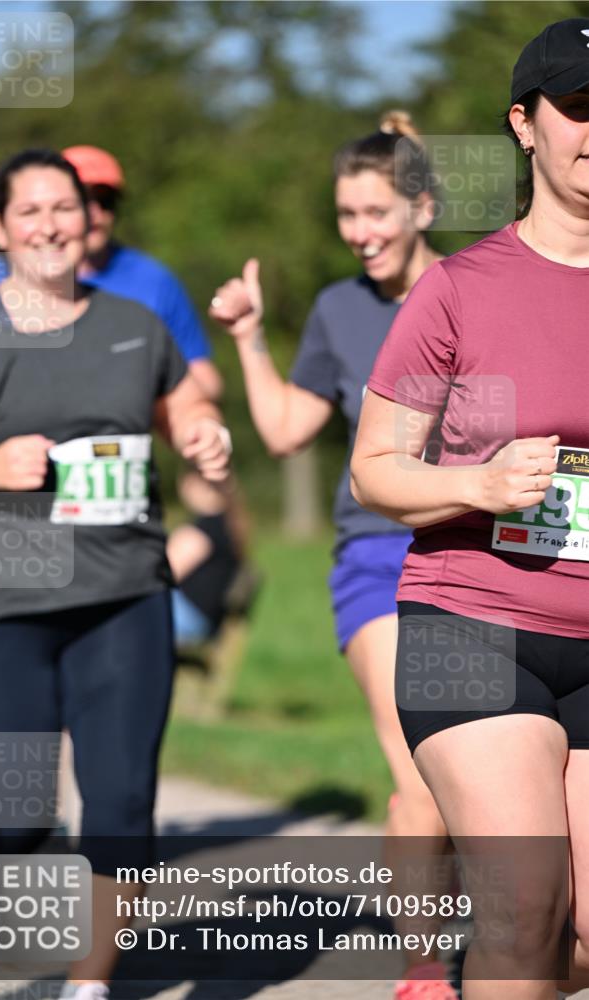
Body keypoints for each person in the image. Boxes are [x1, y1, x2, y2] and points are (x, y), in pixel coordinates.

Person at [0, 146, 231, 1000]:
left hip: (122, 590)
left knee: (123, 798)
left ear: (88, 219)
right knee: (19, 815)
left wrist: (207, 433)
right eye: (31, 212)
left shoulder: (132, 323)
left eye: (66, 208)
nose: (52, 225)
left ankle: (89, 986)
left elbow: (184, 405)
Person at [350, 20, 588, 1000]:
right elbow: (374, 470)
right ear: (523, 124)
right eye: (577, 108)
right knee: (524, 904)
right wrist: (477, 484)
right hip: (474, 626)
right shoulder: (459, 288)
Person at [209, 112, 460, 998]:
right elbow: (283, 431)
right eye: (345, 215)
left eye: (375, 212)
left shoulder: (476, 288)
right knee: (420, 764)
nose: (358, 233)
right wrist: (246, 337)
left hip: (481, 558)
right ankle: (424, 969)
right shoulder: (337, 309)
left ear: (422, 207)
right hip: (377, 563)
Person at [0, 143, 223, 400]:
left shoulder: (153, 280)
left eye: (105, 201)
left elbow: (204, 380)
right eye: (80, 201)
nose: (96, 213)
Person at [167, 470, 248, 646]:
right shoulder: (229, 527)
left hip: (188, 620)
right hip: (205, 621)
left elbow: (161, 576)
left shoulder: (199, 532)